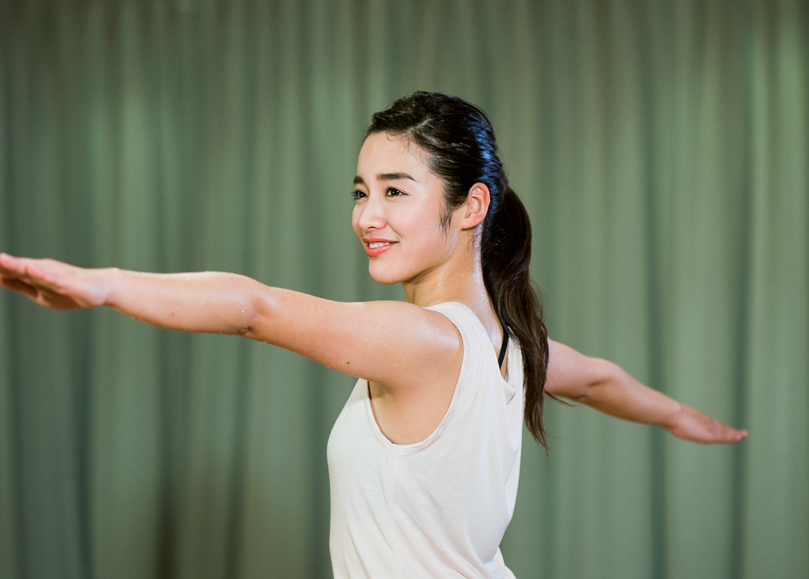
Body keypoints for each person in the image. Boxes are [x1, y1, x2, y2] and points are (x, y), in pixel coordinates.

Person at [0, 91, 746, 578]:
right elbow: (601, 380)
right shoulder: (514, 347)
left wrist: (104, 283)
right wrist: (680, 416)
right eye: (361, 191)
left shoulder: (425, 340)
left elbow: (256, 308)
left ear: (470, 207)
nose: (367, 216)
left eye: (395, 191)